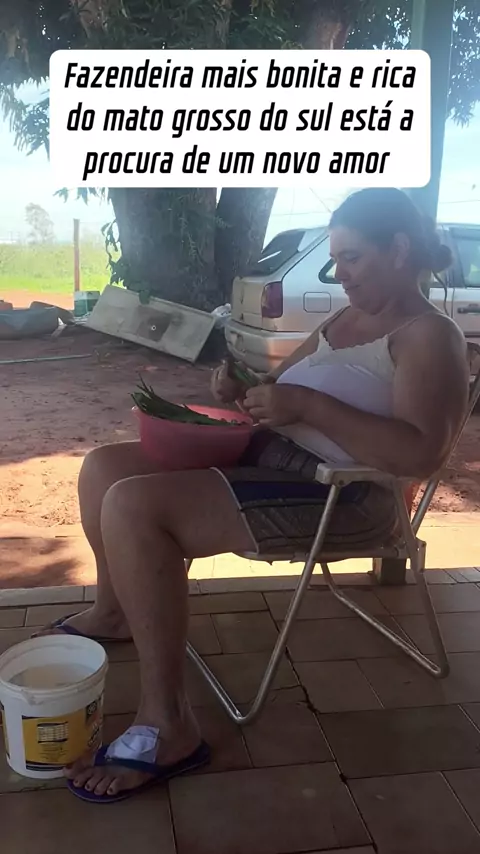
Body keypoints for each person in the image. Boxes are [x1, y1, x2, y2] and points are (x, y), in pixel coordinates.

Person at [36, 187, 469, 802]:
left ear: (399, 250)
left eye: (352, 258)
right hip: (271, 459)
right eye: (335, 260)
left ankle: (169, 724)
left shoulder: (430, 336)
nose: (340, 274)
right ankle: (114, 611)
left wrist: (307, 405)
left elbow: (421, 453)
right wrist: (244, 390)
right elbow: (279, 390)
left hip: (344, 497)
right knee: (105, 468)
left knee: (134, 508)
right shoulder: (341, 321)